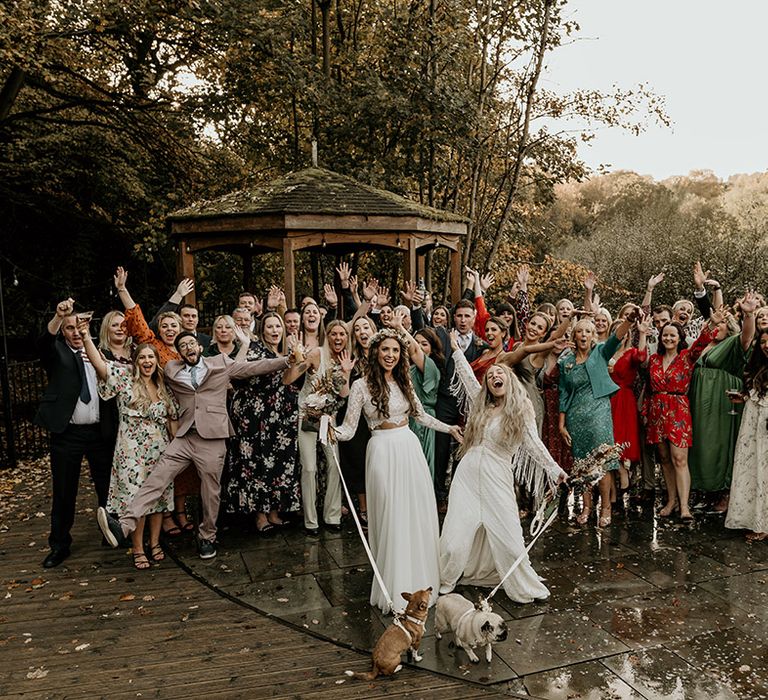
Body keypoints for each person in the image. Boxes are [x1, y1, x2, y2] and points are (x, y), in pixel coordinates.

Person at [97, 331, 294, 559]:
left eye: (192, 343)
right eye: (183, 345)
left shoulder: (220, 363)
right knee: (156, 478)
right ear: (179, 352)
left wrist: (287, 360)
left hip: (212, 438)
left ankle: (207, 536)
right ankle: (123, 526)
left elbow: (254, 367)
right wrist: (103, 361)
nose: (188, 347)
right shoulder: (171, 369)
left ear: (199, 347)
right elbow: (138, 367)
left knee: (211, 492)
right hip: (184, 437)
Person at [335, 328, 462, 613]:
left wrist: (449, 428)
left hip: (409, 448)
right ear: (375, 352)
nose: (390, 355)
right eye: (385, 350)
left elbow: (420, 415)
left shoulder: (405, 381)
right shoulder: (361, 386)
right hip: (381, 450)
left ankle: (420, 580)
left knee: (414, 513)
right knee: (390, 515)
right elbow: (348, 428)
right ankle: (393, 585)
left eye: (395, 350)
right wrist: (328, 429)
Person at [439, 331, 567, 602]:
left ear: (509, 380)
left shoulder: (522, 411)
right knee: (453, 540)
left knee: (510, 541)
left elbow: (534, 445)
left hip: (497, 478)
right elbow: (464, 375)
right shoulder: (480, 404)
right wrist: (455, 349)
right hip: (467, 477)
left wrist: (556, 471)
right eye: (490, 375)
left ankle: (521, 583)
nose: (495, 376)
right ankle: (446, 580)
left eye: (501, 373)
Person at [80, 321, 179, 570]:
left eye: (151, 357)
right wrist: (85, 337)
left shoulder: (164, 387)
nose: (147, 361)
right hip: (131, 451)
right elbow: (100, 366)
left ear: (157, 361)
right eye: (142, 357)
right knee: (137, 500)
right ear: (135, 361)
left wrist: (177, 451)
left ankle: (155, 543)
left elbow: (172, 422)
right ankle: (137, 547)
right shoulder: (124, 380)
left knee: (158, 499)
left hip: (160, 449)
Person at [34, 299, 116, 568]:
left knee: (107, 486)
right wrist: (58, 316)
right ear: (63, 331)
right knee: (64, 490)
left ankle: (110, 532)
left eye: (79, 326)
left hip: (99, 432)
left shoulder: (102, 352)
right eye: (69, 328)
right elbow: (43, 342)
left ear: (88, 326)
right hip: (67, 433)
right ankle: (59, 544)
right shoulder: (56, 351)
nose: (75, 332)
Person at [225, 312, 301, 533]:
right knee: (256, 464)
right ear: (262, 330)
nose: (275, 330)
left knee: (278, 464)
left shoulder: (287, 351)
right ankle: (260, 516)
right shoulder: (255, 349)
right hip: (256, 417)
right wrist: (246, 344)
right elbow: (235, 372)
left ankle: (274, 512)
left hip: (282, 417)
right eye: (270, 327)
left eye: (278, 326)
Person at [559, 313, 635, 527]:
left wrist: (628, 320)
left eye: (588, 331)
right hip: (576, 416)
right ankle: (586, 508)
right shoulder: (566, 361)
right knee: (582, 465)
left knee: (602, 462)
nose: (583, 334)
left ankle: (606, 509)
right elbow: (563, 392)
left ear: (593, 335)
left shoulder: (600, 352)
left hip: (599, 412)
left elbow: (615, 338)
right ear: (574, 335)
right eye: (580, 331)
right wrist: (561, 423)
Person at [644, 311, 721, 521]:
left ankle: (685, 506)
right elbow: (648, 388)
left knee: (680, 459)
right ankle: (671, 501)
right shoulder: (654, 359)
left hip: (678, 409)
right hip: (657, 411)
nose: (668, 338)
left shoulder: (687, 357)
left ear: (679, 338)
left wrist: (711, 322)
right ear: (660, 338)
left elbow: (702, 342)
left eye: (672, 335)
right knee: (665, 459)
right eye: (665, 335)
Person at [283, 319, 355, 535]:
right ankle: (310, 521)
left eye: (342, 334)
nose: (338, 338)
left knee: (334, 465)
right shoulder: (316, 354)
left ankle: (332, 516)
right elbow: (288, 380)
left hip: (328, 419)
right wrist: (295, 358)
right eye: (334, 334)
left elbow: (344, 394)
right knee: (309, 468)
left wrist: (345, 372)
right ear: (328, 335)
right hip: (307, 416)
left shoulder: (345, 358)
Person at [689, 294, 756, 511]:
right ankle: (706, 492)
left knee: (718, 445)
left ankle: (725, 492)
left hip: (722, 401)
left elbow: (747, 337)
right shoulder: (701, 346)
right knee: (701, 445)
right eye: (714, 324)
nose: (718, 327)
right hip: (699, 401)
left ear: (730, 327)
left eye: (722, 323)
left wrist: (748, 314)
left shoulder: (732, 344)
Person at [725, 329, 768, 541]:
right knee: (753, 468)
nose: (766, 345)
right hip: (753, 422)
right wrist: (742, 397)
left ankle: (764, 524)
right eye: (763, 342)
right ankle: (755, 519)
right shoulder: (756, 366)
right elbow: (755, 392)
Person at [410, 327, 444, 477]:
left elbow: (415, 352)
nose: (419, 347)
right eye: (416, 342)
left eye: (424, 344)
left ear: (431, 348)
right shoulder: (409, 368)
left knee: (421, 462)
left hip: (423, 419)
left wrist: (399, 327)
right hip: (408, 419)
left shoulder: (431, 367)